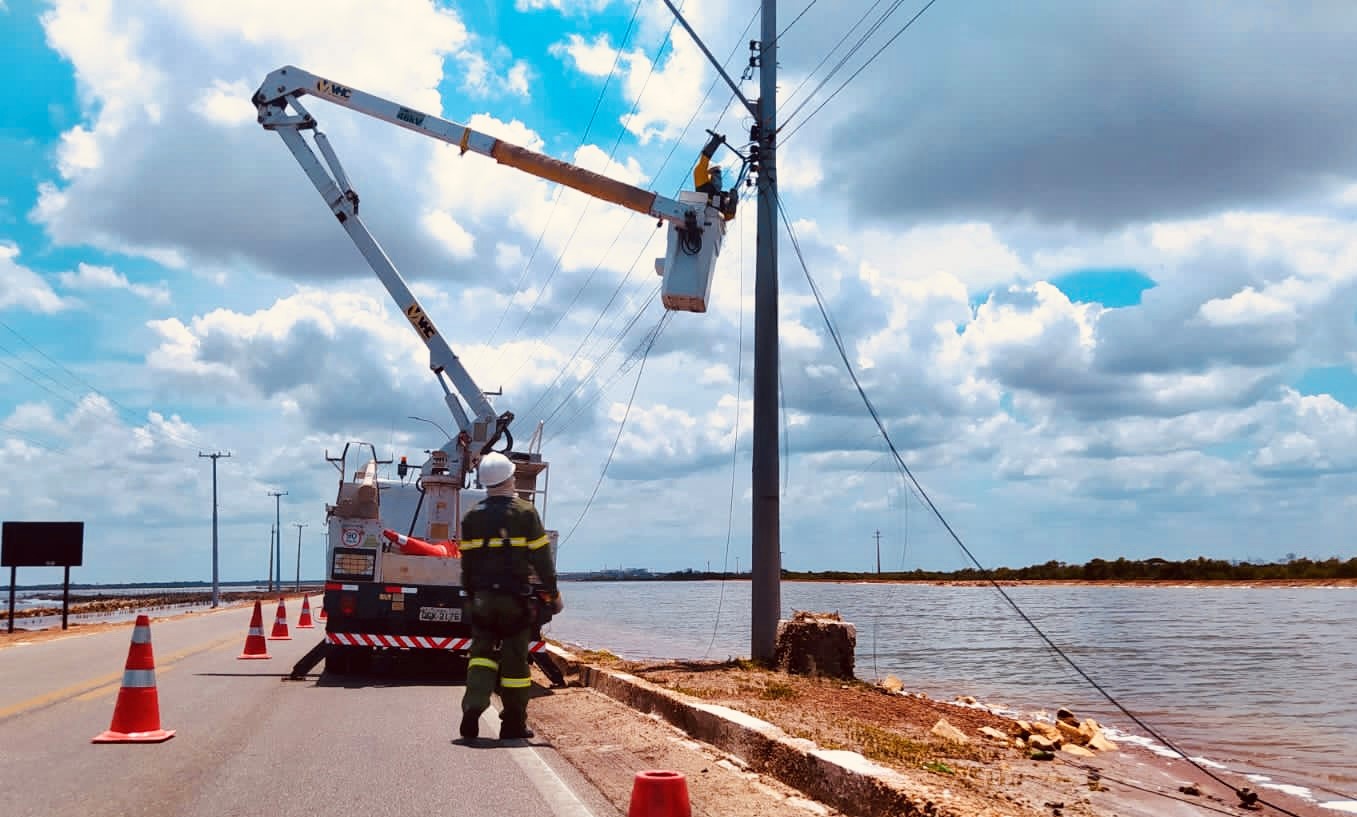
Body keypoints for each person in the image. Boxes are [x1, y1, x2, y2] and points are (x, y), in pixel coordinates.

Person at [457, 451, 563, 741]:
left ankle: (474, 706)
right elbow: (542, 561)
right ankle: (513, 723)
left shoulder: (471, 517)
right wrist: (553, 594)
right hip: (514, 601)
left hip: (482, 600)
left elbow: (466, 566)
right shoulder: (525, 513)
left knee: (480, 656)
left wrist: (471, 597)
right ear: (510, 478)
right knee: (515, 661)